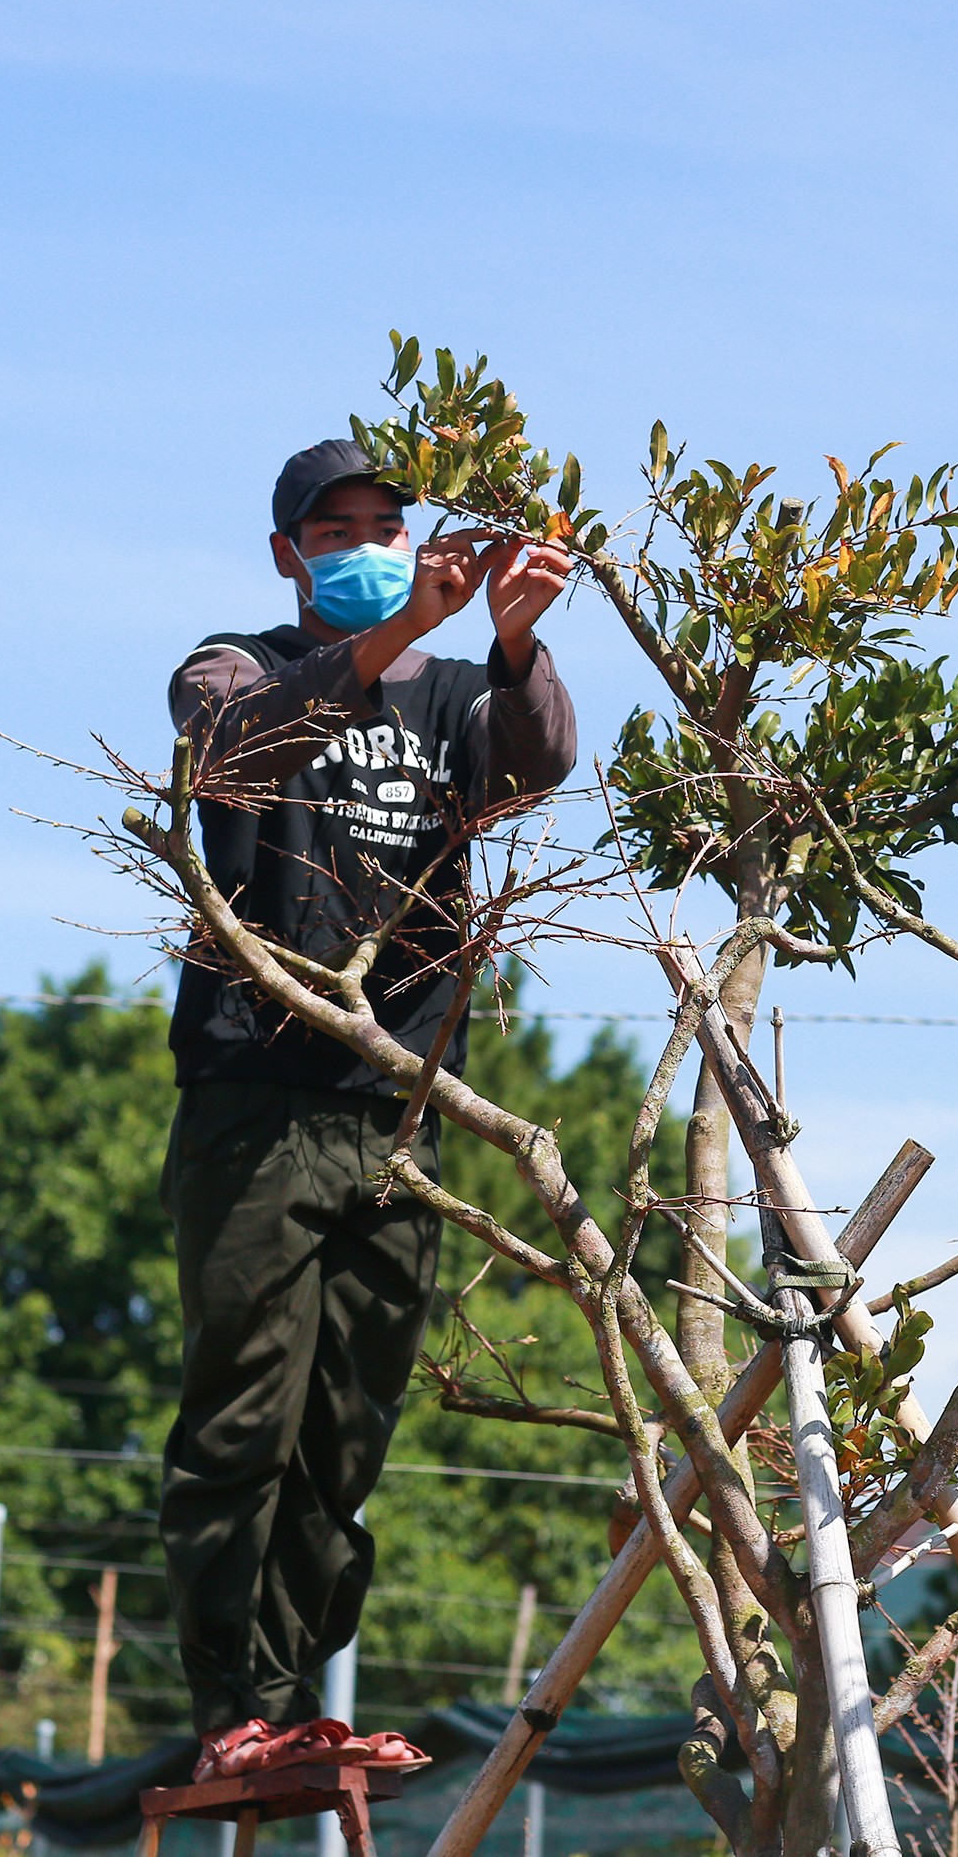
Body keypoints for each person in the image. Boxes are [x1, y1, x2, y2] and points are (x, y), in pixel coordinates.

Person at [158, 439, 578, 1777]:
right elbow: (234, 749)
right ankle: (230, 1710)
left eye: (387, 525)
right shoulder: (228, 666)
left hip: (400, 1108)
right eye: (335, 530)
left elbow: (537, 766)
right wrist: (399, 622)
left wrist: (513, 642)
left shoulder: (458, 694)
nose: (366, 544)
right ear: (288, 553)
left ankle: (293, 1699)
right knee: (243, 1419)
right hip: (256, 1102)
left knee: (346, 1427)